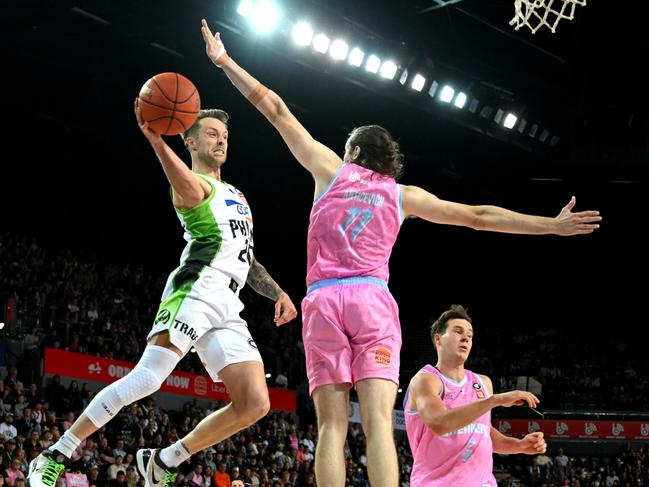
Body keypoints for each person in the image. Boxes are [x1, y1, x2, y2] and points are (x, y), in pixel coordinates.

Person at [199, 19, 601, 487]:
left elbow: (275, 108)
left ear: (351, 151)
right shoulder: (402, 195)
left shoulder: (329, 169)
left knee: (330, 425)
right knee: (376, 426)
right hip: (371, 301)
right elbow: (479, 216)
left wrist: (225, 61)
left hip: (323, 300)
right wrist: (550, 227)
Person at [26, 103, 298, 487]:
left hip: (227, 306)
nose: (220, 140)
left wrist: (278, 292)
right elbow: (184, 183)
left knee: (256, 402)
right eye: (211, 134)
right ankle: (55, 453)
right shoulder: (192, 185)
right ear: (189, 141)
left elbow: (246, 258)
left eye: (224, 135)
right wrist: (156, 141)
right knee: (148, 378)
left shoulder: (235, 193)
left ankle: (164, 461)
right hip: (196, 291)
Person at [404, 305, 547, 486]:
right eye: (458, 332)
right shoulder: (426, 380)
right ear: (438, 339)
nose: (466, 338)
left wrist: (519, 445)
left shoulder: (483, 383)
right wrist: (496, 400)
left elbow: (483, 432)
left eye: (470, 335)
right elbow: (440, 423)